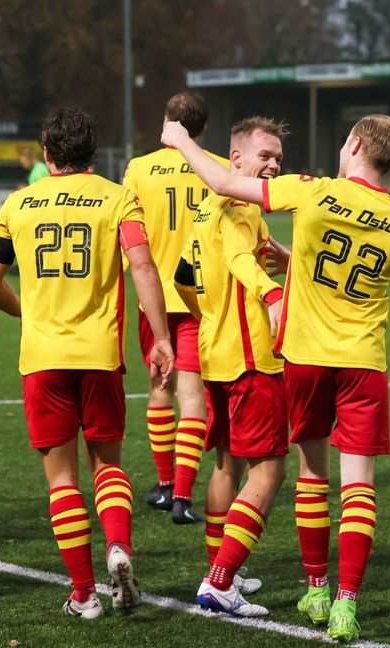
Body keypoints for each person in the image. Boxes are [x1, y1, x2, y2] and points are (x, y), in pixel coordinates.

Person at [164, 113, 390, 641]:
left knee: (308, 475)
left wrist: (182, 139)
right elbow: (346, 268)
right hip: (363, 359)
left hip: (304, 356)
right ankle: (347, 603)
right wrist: (291, 258)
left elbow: (221, 182)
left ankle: (317, 588)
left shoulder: (314, 191)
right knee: (359, 487)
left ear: (353, 143)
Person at [0, 107, 174, 619]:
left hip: (43, 358)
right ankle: (117, 547)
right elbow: (142, 266)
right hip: (100, 354)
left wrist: (27, 311)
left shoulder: (18, 204)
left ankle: (84, 594)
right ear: (92, 152)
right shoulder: (117, 198)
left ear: (47, 154)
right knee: (107, 464)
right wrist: (160, 338)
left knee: (61, 481)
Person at [170, 116, 287, 618]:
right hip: (252, 356)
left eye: (278, 158)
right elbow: (240, 258)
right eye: (265, 157)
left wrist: (206, 316)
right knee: (270, 468)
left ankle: (224, 567)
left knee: (225, 462)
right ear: (236, 160)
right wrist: (272, 290)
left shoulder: (206, 207)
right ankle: (220, 580)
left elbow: (181, 278)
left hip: (215, 352)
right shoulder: (241, 207)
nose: (274, 165)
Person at [123, 92, 226, 523]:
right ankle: (182, 496)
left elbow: (129, 233)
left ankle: (166, 485)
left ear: (167, 123)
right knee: (192, 395)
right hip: (201, 295)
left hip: (155, 297)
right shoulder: (219, 166)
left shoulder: (139, 168)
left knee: (159, 390)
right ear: (201, 129)